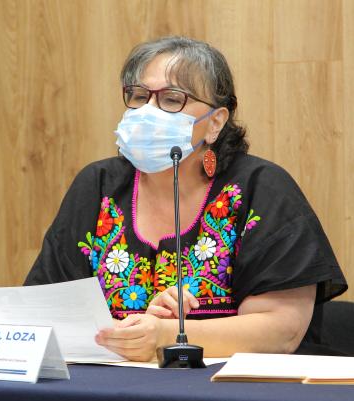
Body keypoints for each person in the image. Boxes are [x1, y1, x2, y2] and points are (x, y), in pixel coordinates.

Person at [24, 36, 348, 360]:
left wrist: (165, 335)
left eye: (171, 99)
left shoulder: (260, 188)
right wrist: (129, 334)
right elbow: (42, 312)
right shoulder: (99, 186)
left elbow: (280, 332)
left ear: (215, 122)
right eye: (139, 97)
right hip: (109, 383)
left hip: (228, 387)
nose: (148, 112)